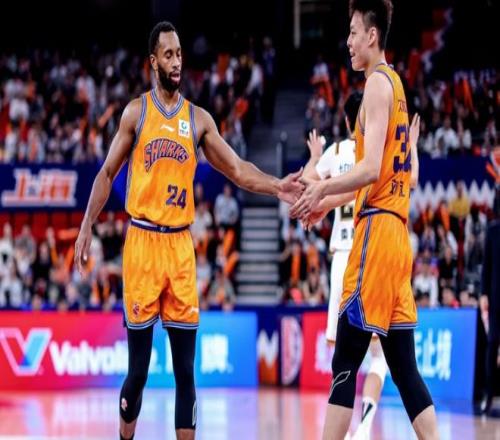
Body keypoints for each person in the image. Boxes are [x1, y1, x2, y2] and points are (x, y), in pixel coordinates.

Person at [74, 21, 303, 440]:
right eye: (168, 55)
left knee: (185, 370)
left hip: (180, 247)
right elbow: (106, 173)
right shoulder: (136, 113)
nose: (176, 61)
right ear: (153, 62)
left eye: (179, 53)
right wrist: (87, 223)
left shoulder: (198, 120)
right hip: (142, 243)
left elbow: (237, 169)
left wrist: (277, 186)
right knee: (138, 372)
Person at [290, 1, 438, 438]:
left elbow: (370, 168)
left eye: (354, 32)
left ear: (372, 35)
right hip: (396, 235)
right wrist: (326, 203)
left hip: (374, 235)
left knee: (345, 361)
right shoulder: (396, 85)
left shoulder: (375, 84)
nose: (349, 41)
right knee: (404, 369)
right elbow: (380, 175)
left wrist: (321, 190)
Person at [302, 88, 419, 438]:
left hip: (346, 256)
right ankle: (365, 424)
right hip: (376, 250)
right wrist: (411, 145)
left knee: (343, 356)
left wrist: (315, 157)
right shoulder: (378, 150)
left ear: (346, 120)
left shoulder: (339, 151)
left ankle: (347, 426)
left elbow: (309, 182)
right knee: (381, 356)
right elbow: (411, 179)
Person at [480, 188, 500, 416]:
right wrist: (483, 293)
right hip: (495, 299)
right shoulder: (493, 231)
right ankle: (489, 395)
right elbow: (486, 266)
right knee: (492, 344)